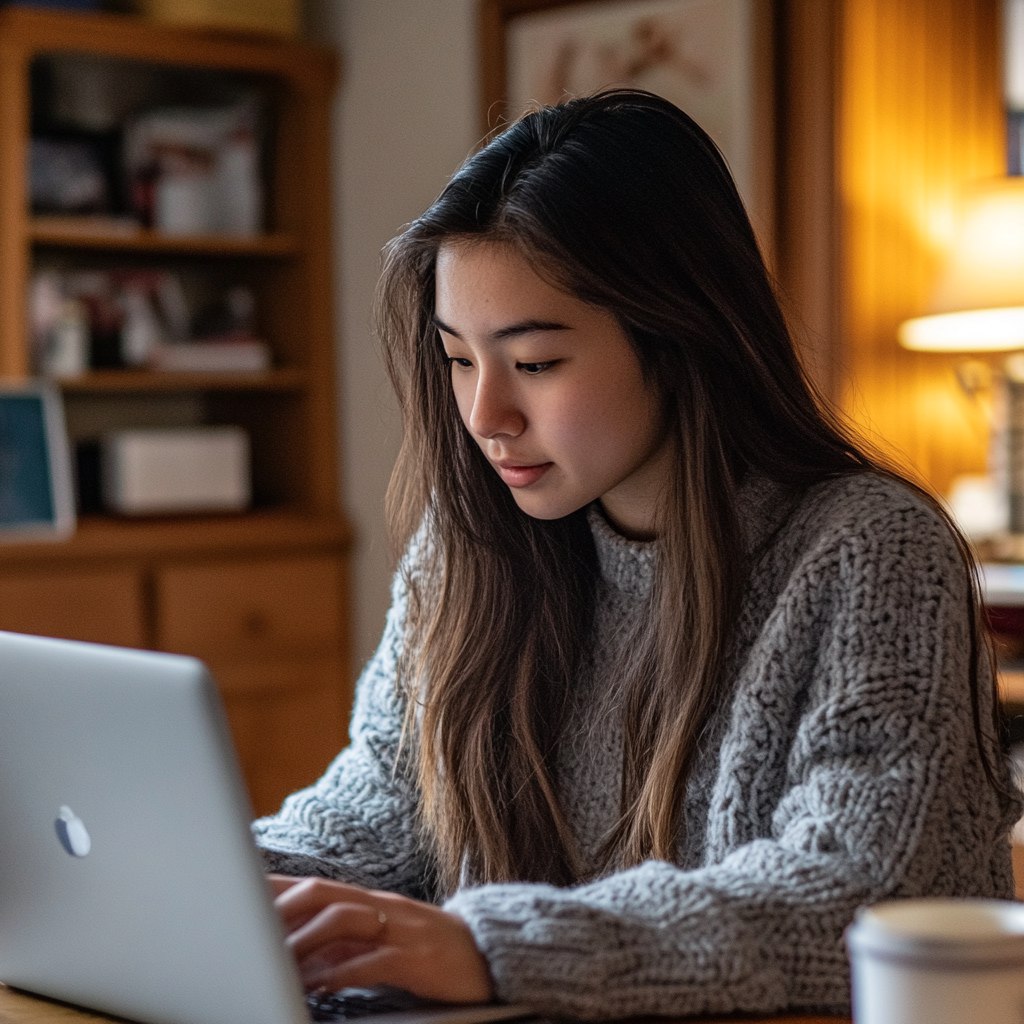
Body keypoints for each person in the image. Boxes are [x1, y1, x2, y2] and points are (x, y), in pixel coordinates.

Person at [253, 89, 1021, 1020]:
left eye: (534, 363)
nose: (485, 417)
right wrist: (214, 881)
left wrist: (496, 948)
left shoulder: (870, 552)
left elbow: (849, 895)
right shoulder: (467, 545)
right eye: (459, 359)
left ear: (677, 335)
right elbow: (371, 816)